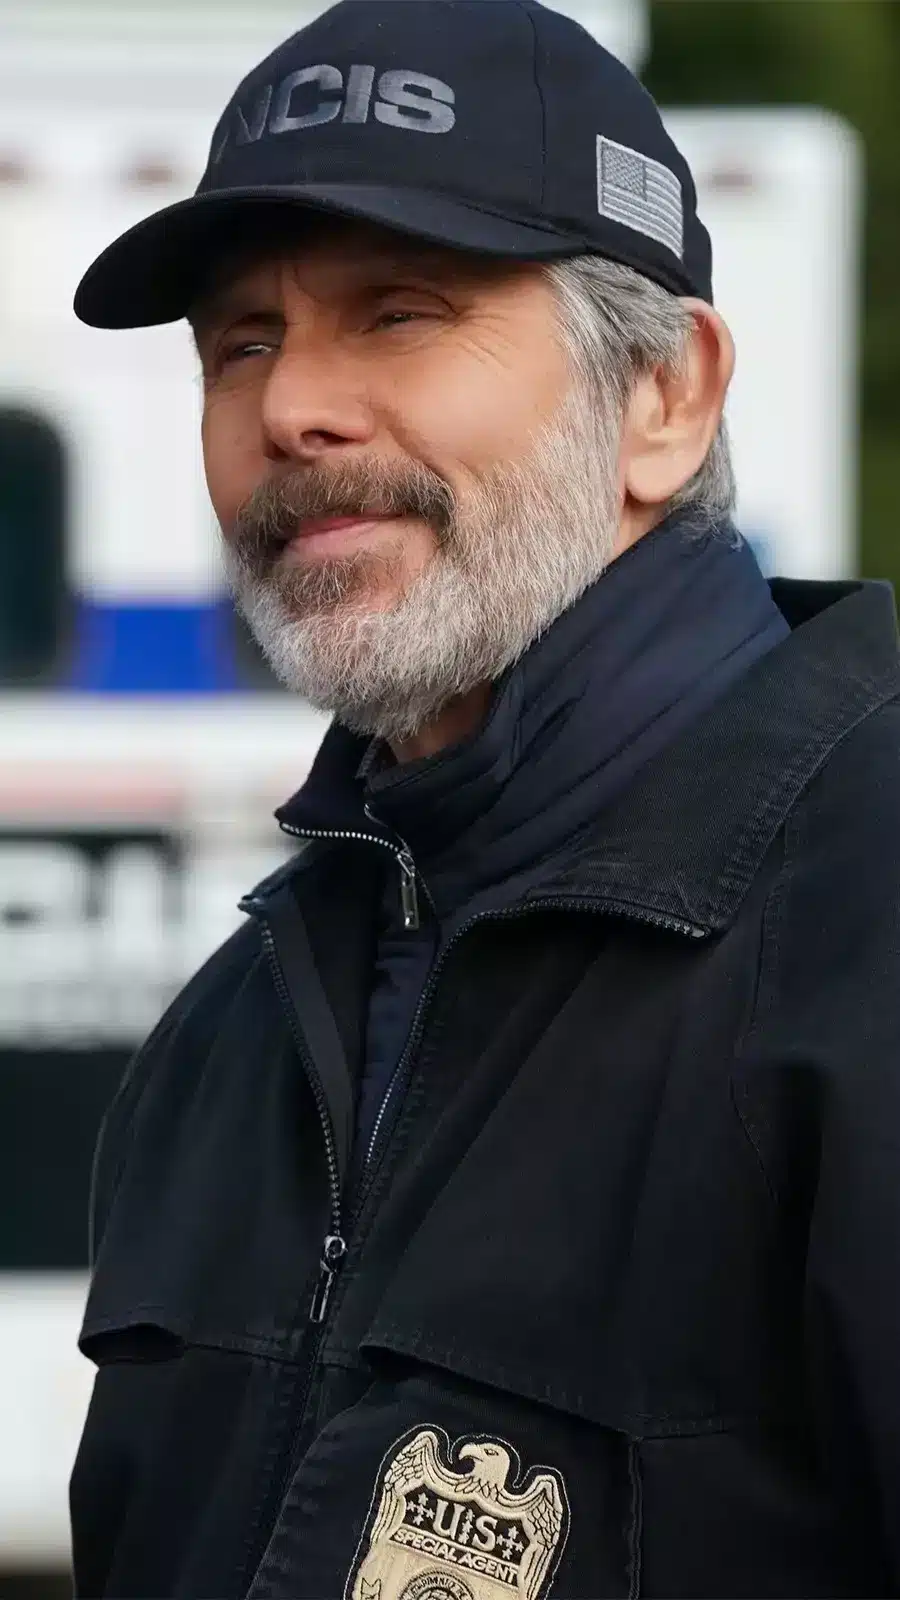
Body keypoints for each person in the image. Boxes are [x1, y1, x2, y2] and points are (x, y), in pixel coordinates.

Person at [69, 1, 900, 1596]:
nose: (290, 407)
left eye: (398, 312)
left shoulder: (866, 913)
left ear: (663, 395)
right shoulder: (239, 1028)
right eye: (240, 342)